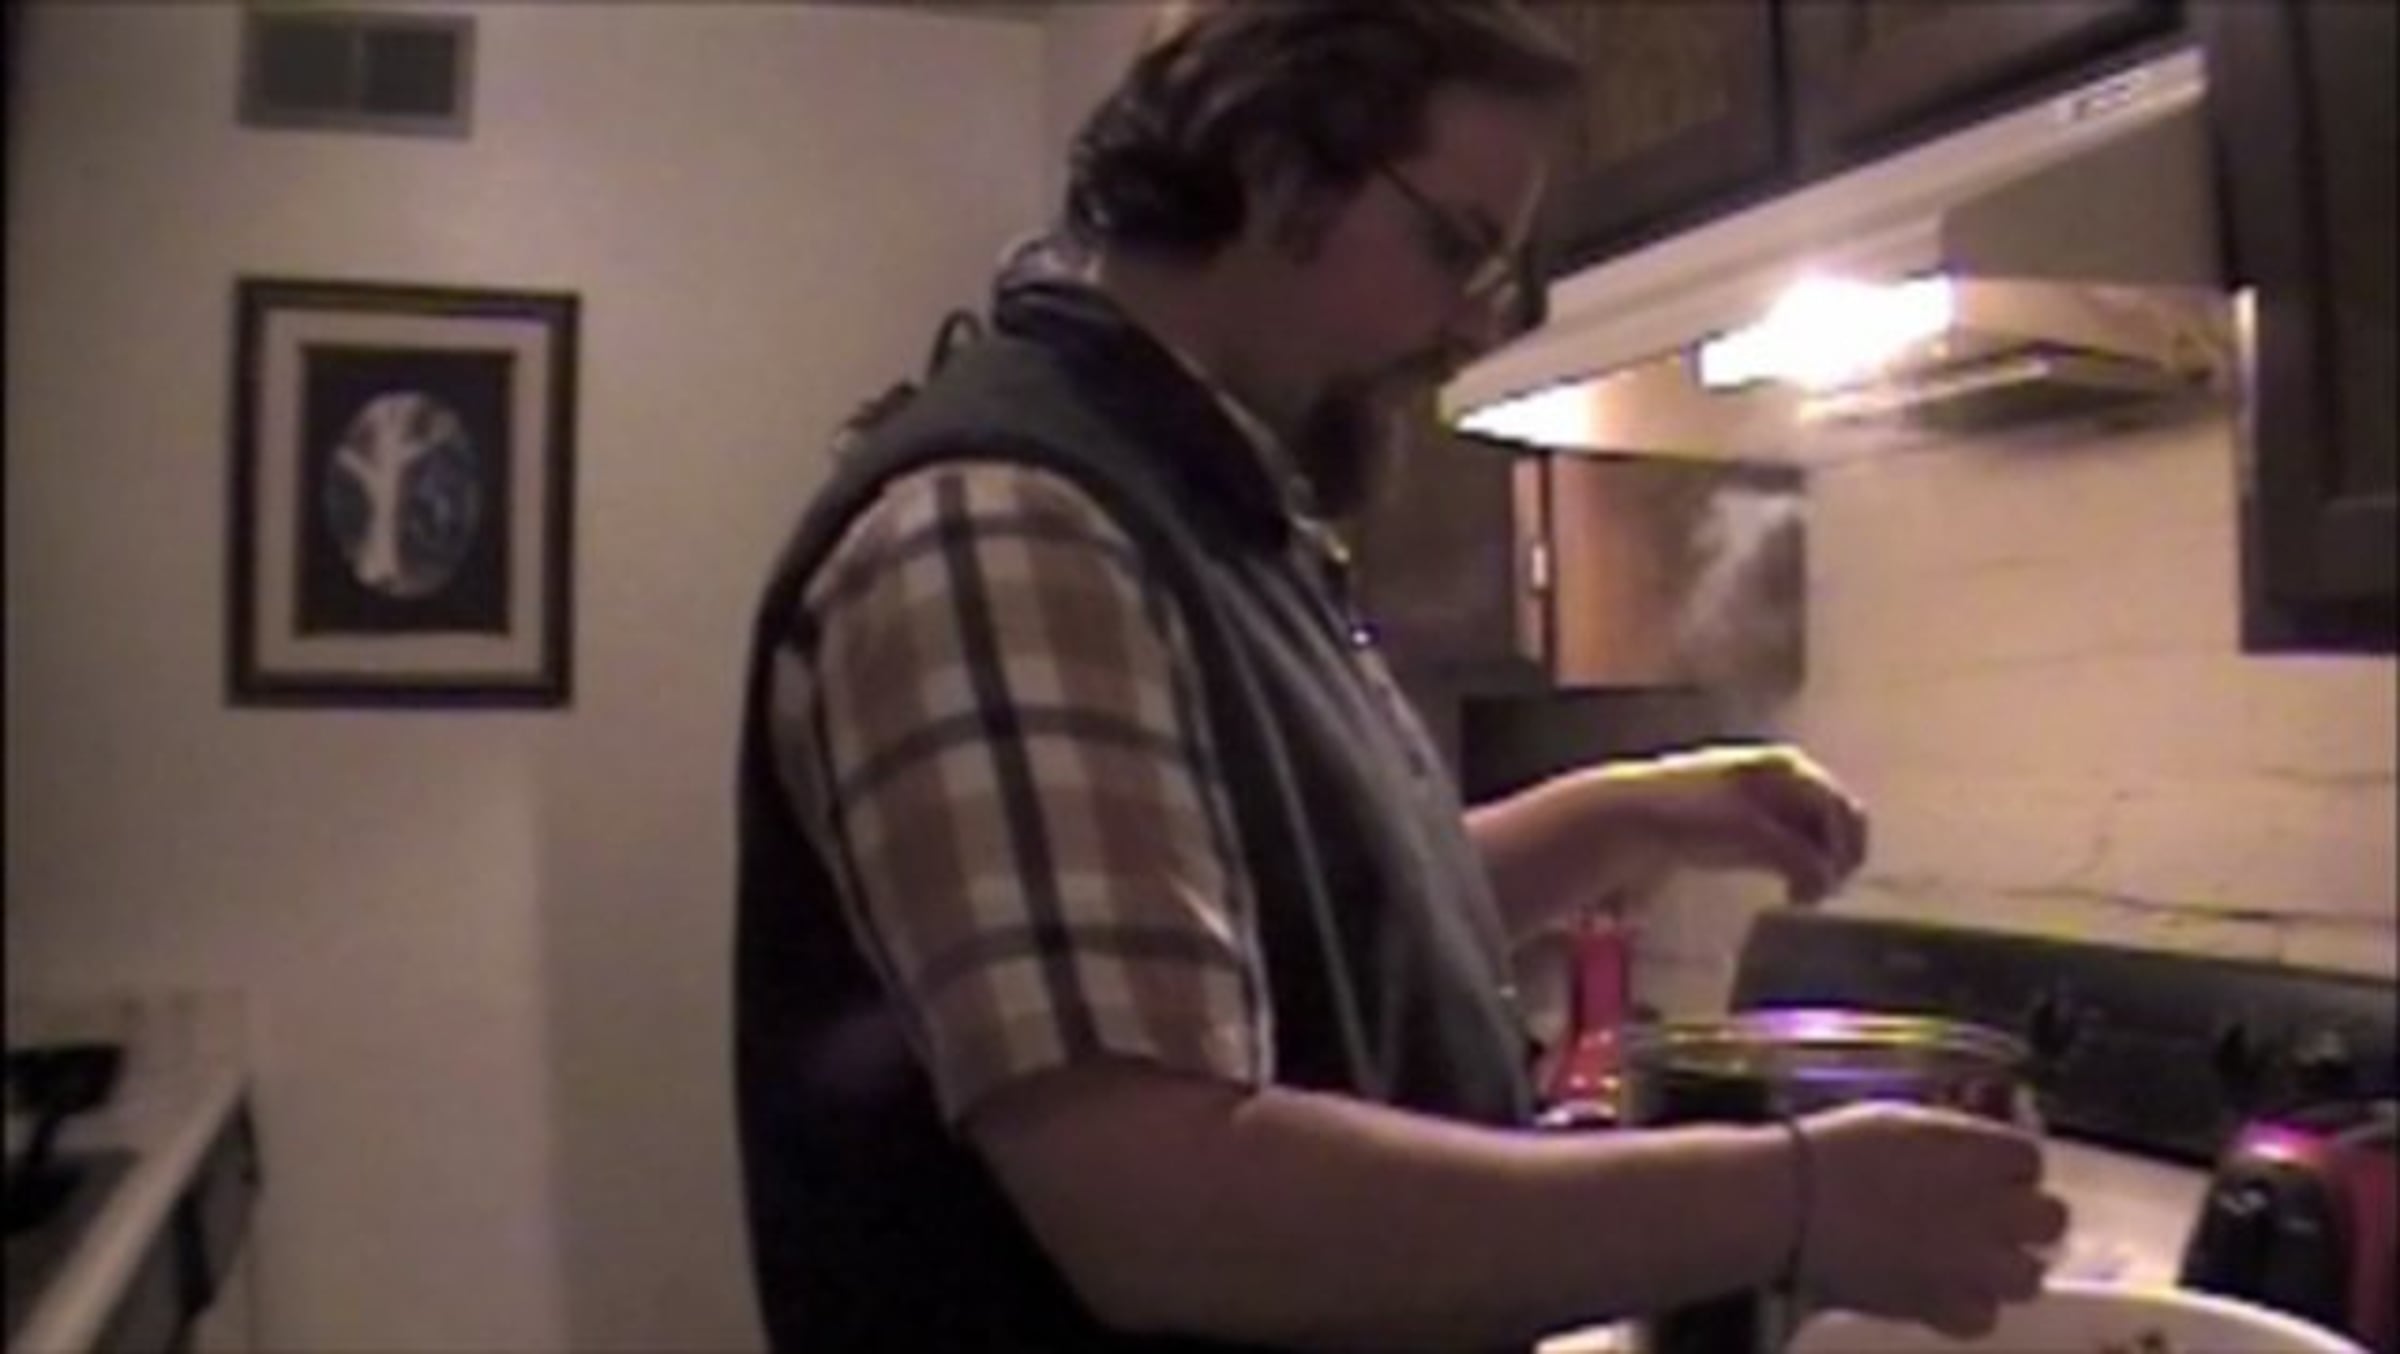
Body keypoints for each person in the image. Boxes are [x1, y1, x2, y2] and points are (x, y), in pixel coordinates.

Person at [732, 3, 2068, 1351]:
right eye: (1453, 246)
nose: (1472, 323)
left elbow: (1292, 935)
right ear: (1272, 167)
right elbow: (1167, 1207)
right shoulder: (1014, 522)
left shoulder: (1206, 505)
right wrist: (1793, 1197)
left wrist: (1627, 815)